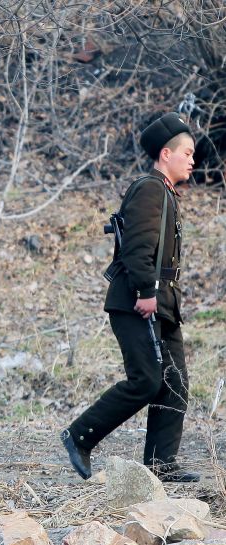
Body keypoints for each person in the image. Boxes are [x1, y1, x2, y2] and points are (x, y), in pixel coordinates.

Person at [62, 112, 199, 483]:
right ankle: (79, 436)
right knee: (146, 380)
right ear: (165, 154)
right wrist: (146, 292)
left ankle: (161, 463)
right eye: (186, 153)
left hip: (162, 303)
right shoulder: (150, 188)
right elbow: (137, 249)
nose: (192, 160)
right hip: (137, 300)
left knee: (174, 381)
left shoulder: (165, 191)